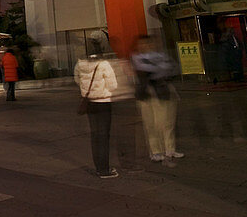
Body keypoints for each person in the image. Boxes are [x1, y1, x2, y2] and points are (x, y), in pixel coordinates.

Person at [74, 36, 125, 178]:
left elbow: (77, 80)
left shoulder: (80, 64)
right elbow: (113, 85)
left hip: (89, 103)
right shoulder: (103, 64)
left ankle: (99, 166)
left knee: (95, 135)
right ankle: (104, 170)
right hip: (103, 103)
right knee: (104, 136)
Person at [131, 35, 183, 166]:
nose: (146, 47)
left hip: (163, 92)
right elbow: (149, 69)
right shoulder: (137, 58)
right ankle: (156, 152)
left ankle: (170, 149)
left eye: (148, 44)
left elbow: (173, 68)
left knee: (167, 122)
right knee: (151, 124)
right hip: (146, 94)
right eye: (143, 44)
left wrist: (159, 69)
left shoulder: (160, 56)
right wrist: (159, 68)